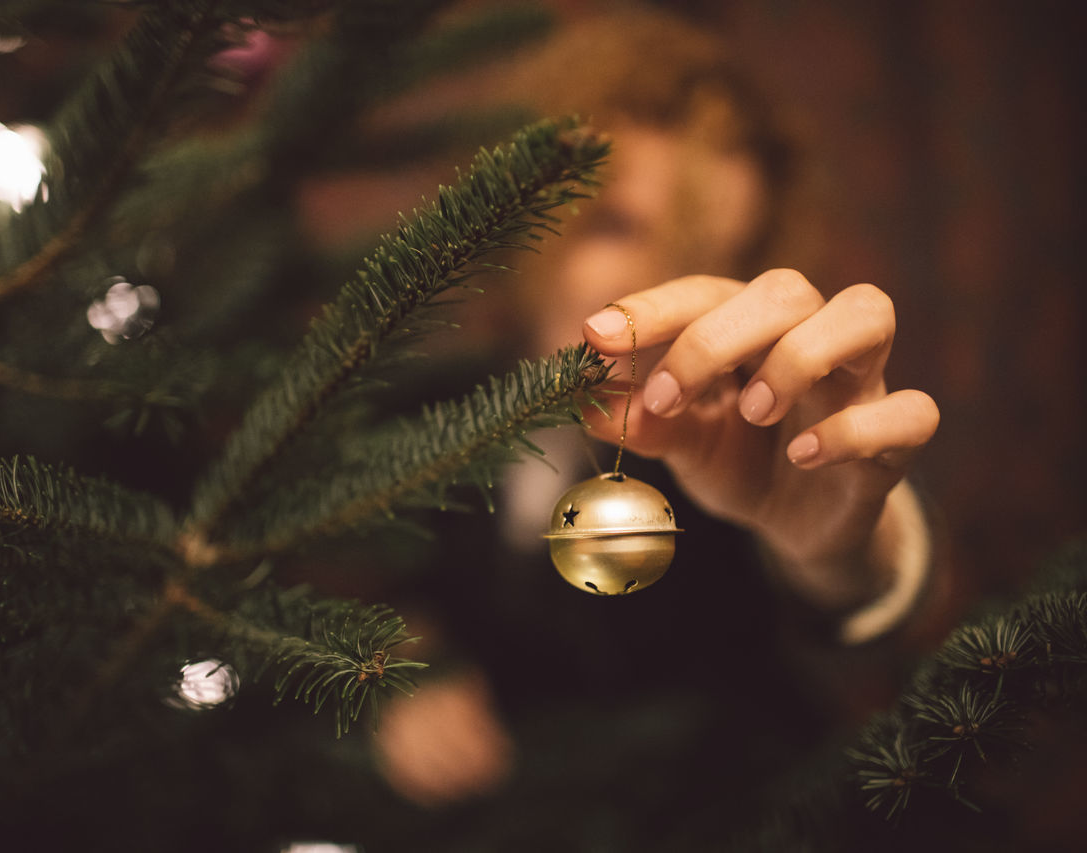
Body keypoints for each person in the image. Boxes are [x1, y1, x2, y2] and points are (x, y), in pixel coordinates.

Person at [368, 2, 948, 822]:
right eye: (619, 226)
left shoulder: (740, 430)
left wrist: (852, 540)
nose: (652, 289)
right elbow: (398, 590)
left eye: (704, 251)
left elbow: (873, 585)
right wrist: (410, 676)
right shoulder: (422, 408)